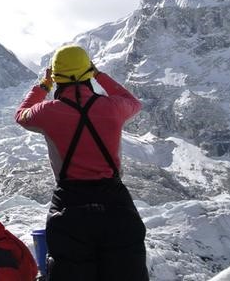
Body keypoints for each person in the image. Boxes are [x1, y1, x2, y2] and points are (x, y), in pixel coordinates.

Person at [15, 44, 148, 281]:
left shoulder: (47, 111)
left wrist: (43, 86)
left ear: (57, 79)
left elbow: (21, 114)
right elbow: (133, 101)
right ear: (88, 73)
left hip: (70, 207)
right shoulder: (113, 107)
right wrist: (99, 74)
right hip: (116, 204)